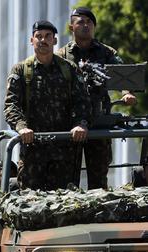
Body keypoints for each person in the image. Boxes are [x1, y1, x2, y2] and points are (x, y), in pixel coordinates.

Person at [4, 20, 91, 191]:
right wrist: (21, 128)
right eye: (39, 36)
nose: (43, 40)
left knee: (64, 205)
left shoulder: (69, 69)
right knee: (31, 205)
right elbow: (11, 105)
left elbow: (83, 101)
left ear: (55, 41)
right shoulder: (20, 71)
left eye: (48, 36)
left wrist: (80, 124)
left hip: (64, 151)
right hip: (32, 150)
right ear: (32, 40)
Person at [57, 7, 137, 190]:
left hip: (99, 121)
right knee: (67, 179)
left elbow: (123, 75)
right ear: (71, 27)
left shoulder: (106, 52)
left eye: (89, 22)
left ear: (94, 27)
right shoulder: (61, 56)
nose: (85, 25)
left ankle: (100, 217)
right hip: (71, 124)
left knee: (99, 179)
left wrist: (126, 93)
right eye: (80, 22)